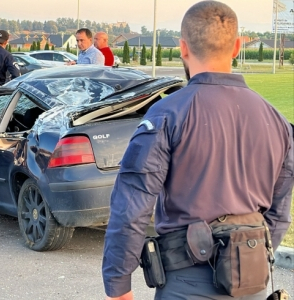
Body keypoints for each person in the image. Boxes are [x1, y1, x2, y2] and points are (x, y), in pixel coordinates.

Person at [102, 1, 294, 300]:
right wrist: (247, 256)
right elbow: (279, 215)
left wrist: (118, 285)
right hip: (252, 281)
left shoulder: (166, 115)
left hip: (187, 283)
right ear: (236, 47)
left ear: (183, 47)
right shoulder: (277, 121)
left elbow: (132, 206)